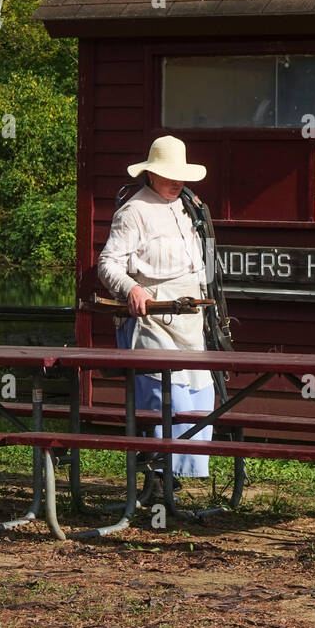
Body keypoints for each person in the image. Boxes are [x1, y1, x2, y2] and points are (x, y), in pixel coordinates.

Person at [97, 135, 214, 478]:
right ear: (150, 174)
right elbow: (108, 264)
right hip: (154, 321)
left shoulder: (188, 208)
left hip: (190, 322)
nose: (177, 182)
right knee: (167, 399)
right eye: (169, 175)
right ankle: (158, 477)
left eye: (180, 176)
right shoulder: (134, 211)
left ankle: (184, 475)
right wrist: (131, 288)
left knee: (200, 398)